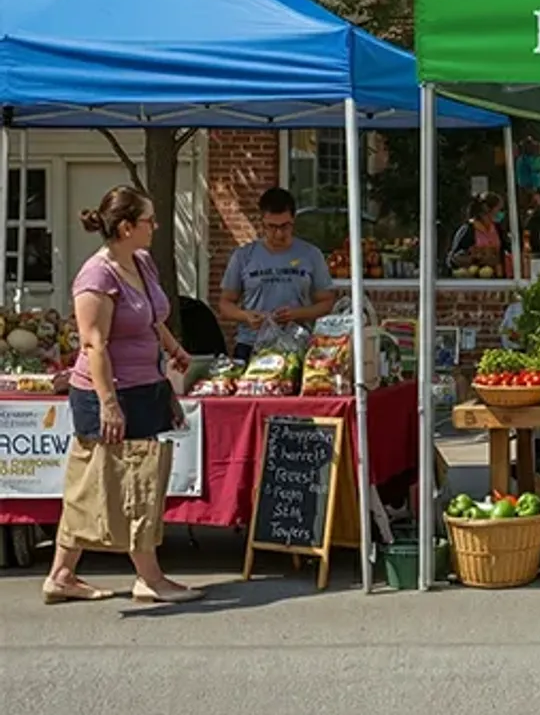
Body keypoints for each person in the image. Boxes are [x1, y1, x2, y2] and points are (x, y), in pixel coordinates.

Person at [43, 186, 202, 605]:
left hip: (145, 387)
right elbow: (94, 344)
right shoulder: (97, 276)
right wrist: (109, 403)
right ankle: (149, 578)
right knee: (112, 484)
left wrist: (173, 348)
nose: (156, 226)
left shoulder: (142, 261)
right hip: (108, 394)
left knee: (126, 481)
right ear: (127, 226)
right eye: (149, 220)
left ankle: (61, 574)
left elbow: (151, 316)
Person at [219, 187, 337, 361]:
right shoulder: (243, 256)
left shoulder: (311, 254)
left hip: (296, 343)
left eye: (285, 226)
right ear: (262, 223)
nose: (279, 234)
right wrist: (246, 316)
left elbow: (327, 302)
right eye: (272, 227)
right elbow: (225, 303)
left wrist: (298, 313)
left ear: (293, 221)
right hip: (251, 345)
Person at [448, 191, 510, 277]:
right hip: (473, 277)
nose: (501, 213)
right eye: (499, 210)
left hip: (497, 276)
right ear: (487, 209)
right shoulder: (468, 230)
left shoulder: (498, 229)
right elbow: (453, 259)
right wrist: (475, 259)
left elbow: (507, 249)